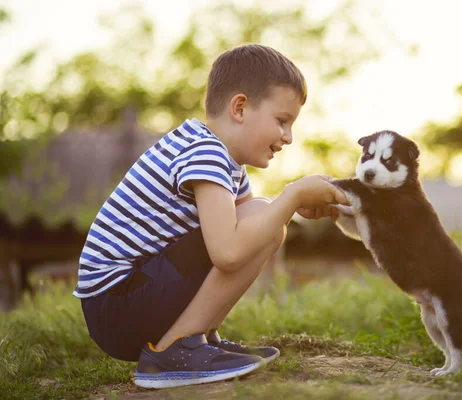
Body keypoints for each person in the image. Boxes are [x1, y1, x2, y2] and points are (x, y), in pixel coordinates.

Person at [73, 44, 348, 389]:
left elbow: (254, 227)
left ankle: (196, 339)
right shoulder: (205, 152)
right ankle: (177, 348)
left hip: (129, 299)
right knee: (267, 217)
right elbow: (229, 252)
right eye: (282, 121)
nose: (288, 138)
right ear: (240, 107)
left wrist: (296, 208)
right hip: (116, 303)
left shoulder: (224, 160)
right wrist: (291, 196)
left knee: (267, 220)